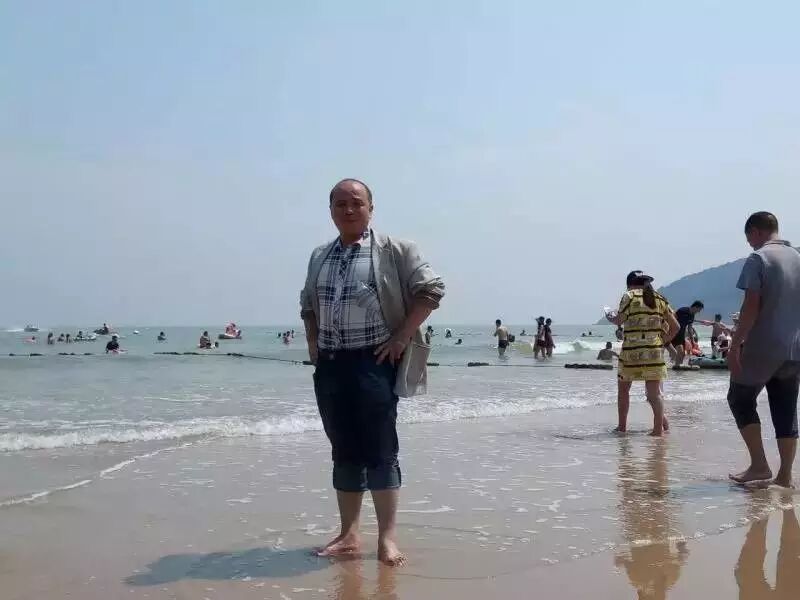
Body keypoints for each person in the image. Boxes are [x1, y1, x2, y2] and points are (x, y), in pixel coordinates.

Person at [300, 178, 445, 566]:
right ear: (330, 210)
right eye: (340, 203)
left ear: (370, 208)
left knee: (380, 451)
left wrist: (401, 338)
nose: (348, 209)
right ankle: (348, 535)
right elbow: (307, 303)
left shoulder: (395, 250)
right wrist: (313, 342)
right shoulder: (319, 255)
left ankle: (387, 539)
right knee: (343, 451)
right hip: (331, 365)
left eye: (356, 202)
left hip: (374, 361)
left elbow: (432, 290)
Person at [726, 212, 800, 488]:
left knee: (739, 398)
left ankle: (759, 465)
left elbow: (751, 306)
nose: (750, 244)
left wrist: (735, 345)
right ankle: (785, 476)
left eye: (749, 239)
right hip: (794, 348)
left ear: (756, 231)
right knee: (785, 406)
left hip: (764, 345)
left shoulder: (759, 259)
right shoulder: (797, 257)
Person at [607, 271, 679, 436]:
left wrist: (610, 317)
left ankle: (622, 427)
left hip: (631, 353)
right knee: (655, 394)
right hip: (654, 353)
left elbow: (619, 320)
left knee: (624, 390)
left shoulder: (629, 296)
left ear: (629, 284)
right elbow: (676, 327)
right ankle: (657, 430)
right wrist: (661, 341)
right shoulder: (660, 299)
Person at [670, 301, 705, 366]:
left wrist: (692, 341)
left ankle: (677, 366)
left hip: (681, 335)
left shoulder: (692, 315)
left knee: (683, 353)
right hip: (674, 333)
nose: (699, 312)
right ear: (695, 307)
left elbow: (690, 329)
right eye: (699, 310)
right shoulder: (682, 310)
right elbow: (671, 319)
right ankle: (675, 365)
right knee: (677, 351)